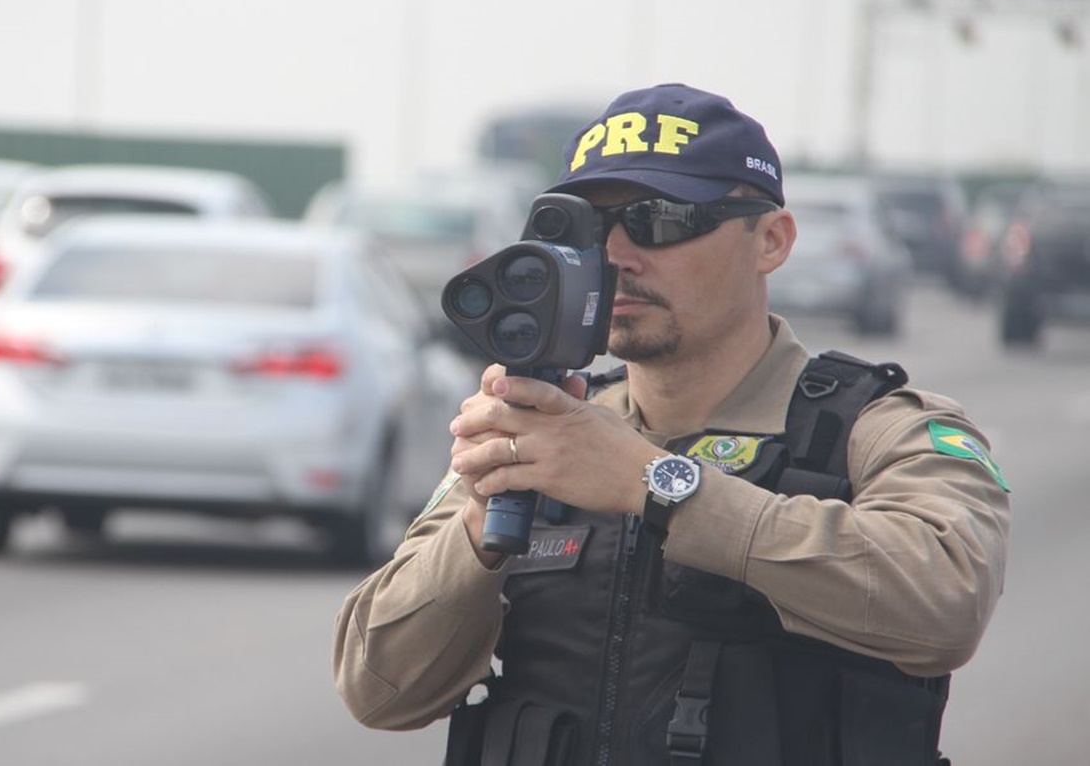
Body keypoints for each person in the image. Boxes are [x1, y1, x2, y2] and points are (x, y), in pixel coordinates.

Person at [331, 83, 1010, 765]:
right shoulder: (541, 429)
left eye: (661, 220)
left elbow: (945, 605)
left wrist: (661, 485)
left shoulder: (879, 431)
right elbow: (379, 688)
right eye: (591, 225)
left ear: (770, 240)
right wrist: (483, 520)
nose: (618, 255)